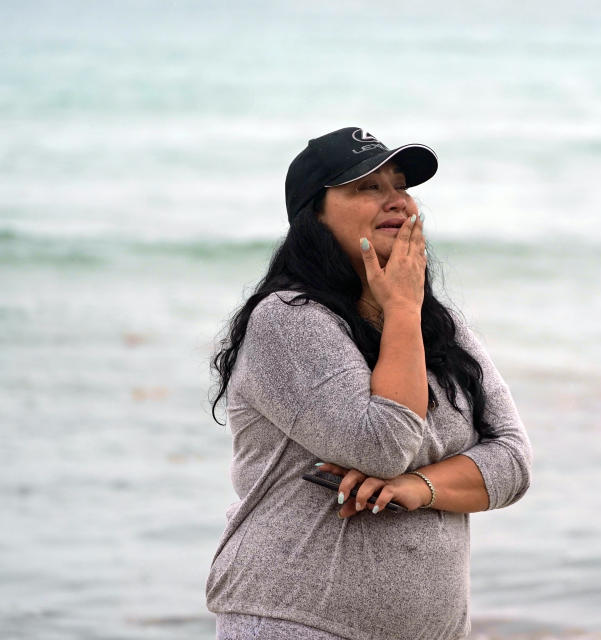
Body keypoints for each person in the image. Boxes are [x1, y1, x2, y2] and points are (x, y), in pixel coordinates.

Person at [205, 127, 534, 640]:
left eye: (400, 185)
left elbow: (512, 461)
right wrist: (401, 308)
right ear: (315, 213)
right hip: (296, 620)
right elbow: (380, 445)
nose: (396, 201)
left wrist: (415, 488)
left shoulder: (442, 330)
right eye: (366, 187)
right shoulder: (289, 321)